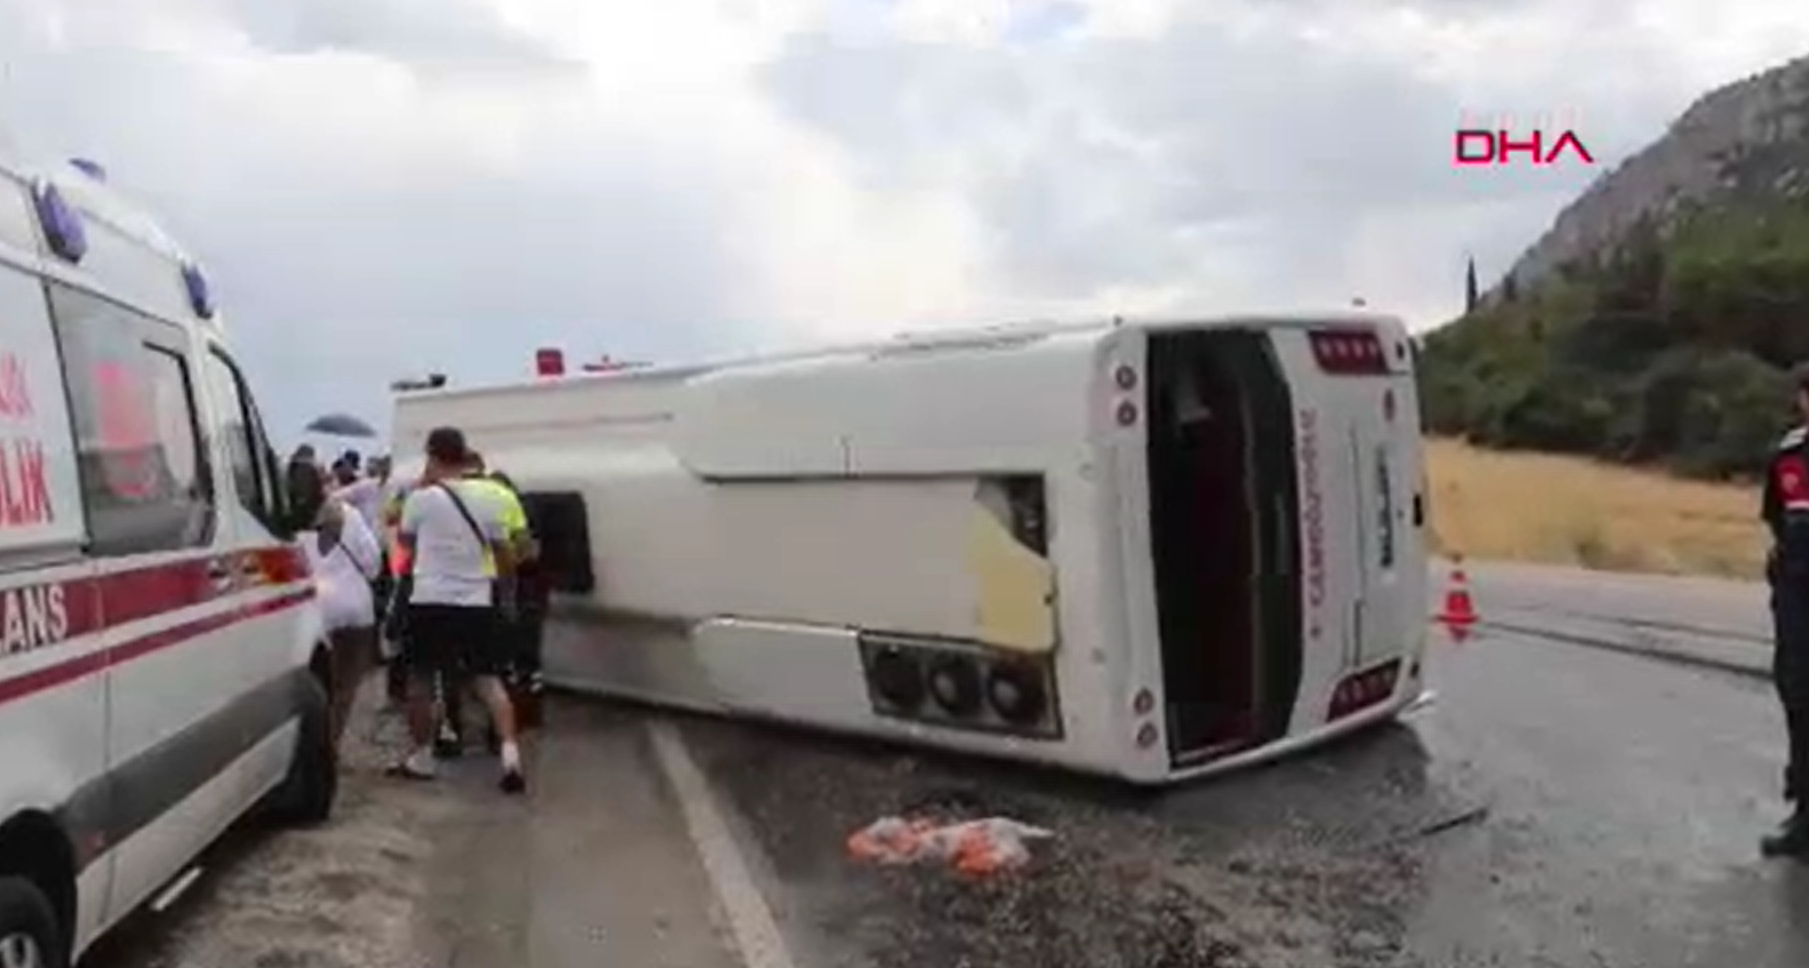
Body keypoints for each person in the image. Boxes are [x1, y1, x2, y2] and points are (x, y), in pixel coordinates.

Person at [388, 426, 527, 793]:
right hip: (477, 601)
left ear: (432, 457)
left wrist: (424, 485)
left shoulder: (421, 499)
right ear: (465, 456)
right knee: (488, 680)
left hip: (430, 599)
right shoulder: (492, 497)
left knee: (421, 680)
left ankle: (422, 756)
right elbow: (506, 556)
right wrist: (507, 598)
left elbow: (404, 546)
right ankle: (511, 756)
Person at [299, 484, 384, 751]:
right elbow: (371, 563)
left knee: (314, 684)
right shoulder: (349, 514)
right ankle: (330, 745)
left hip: (310, 612)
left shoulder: (286, 521)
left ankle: (308, 744)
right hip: (353, 608)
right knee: (345, 687)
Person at [1765, 362, 1809, 857]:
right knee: (1798, 697)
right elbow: (1777, 518)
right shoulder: (1788, 456)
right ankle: (1804, 817)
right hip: (1796, 597)